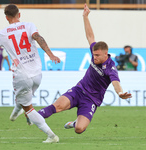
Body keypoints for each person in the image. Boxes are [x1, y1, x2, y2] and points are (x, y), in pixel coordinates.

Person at [36, 4, 132, 135]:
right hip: (79, 90)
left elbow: (116, 83)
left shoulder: (110, 67)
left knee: (79, 129)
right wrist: (85, 17)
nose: (94, 57)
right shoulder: (95, 52)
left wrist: (120, 93)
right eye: (93, 54)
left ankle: (75, 123)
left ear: (106, 54)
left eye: (97, 55)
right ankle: (33, 116)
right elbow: (90, 36)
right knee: (57, 106)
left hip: (92, 100)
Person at [0, 4, 60, 143]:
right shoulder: (29, 25)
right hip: (37, 74)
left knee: (28, 107)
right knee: (24, 98)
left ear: (6, 18)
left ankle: (51, 135)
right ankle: (16, 113)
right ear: (19, 14)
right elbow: (38, 38)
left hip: (22, 75)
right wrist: (51, 55)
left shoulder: (2, 34)